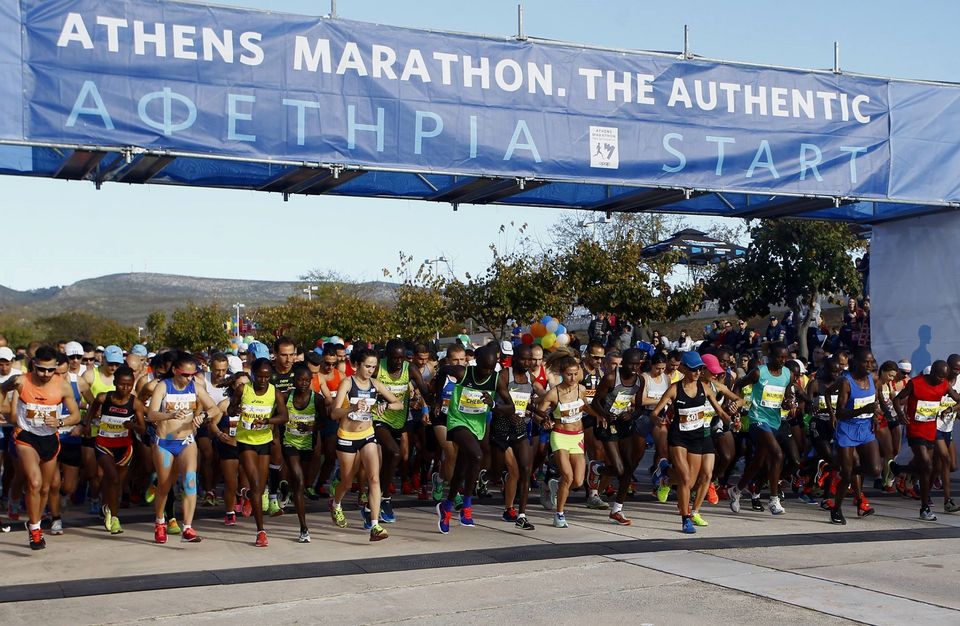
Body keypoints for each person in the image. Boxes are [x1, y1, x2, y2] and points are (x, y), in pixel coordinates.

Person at [1, 345, 82, 550]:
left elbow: (76, 415)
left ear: (56, 368)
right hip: (26, 437)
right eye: (41, 369)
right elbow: (2, 389)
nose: (45, 374)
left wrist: (60, 422)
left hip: (50, 439)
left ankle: (33, 521)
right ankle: (35, 530)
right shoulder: (20, 381)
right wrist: (4, 407)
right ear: (34, 365)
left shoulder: (63, 386)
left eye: (50, 370)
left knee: (45, 488)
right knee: (34, 482)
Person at [329, 348, 403, 541]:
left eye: (374, 367)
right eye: (367, 366)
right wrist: (352, 407)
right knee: (347, 481)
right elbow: (334, 413)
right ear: (357, 365)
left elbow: (399, 404)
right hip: (347, 436)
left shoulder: (375, 384)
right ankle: (336, 503)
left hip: (368, 435)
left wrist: (385, 405)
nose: (371, 370)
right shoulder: (348, 383)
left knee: (374, 479)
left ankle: (375, 525)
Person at [147, 353, 222, 545]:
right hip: (164, 443)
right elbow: (151, 414)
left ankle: (187, 527)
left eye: (192, 375)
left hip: (187, 441)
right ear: (174, 371)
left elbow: (214, 408)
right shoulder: (163, 386)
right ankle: (160, 522)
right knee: (165, 485)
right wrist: (169, 415)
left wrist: (203, 416)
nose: (189, 378)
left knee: (190, 481)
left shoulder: (195, 387)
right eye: (185, 375)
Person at [650, 351, 728, 533]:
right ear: (684, 369)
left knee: (690, 482)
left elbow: (720, 411)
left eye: (700, 369)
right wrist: (658, 420)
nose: (697, 373)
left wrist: (730, 420)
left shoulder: (704, 388)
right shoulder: (674, 389)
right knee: (685, 478)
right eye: (693, 369)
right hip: (679, 438)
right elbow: (654, 412)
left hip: (697, 437)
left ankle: (665, 473)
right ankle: (686, 519)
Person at [436, 344, 499, 534]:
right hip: (457, 420)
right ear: (475, 363)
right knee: (477, 456)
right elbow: (442, 371)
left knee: (461, 469)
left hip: (476, 426)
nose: (487, 373)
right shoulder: (463, 373)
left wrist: (493, 404)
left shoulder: (496, 379)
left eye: (490, 369)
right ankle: (467, 505)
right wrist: (437, 398)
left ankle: (447, 506)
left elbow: (510, 407)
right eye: (484, 368)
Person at [535, 354, 600, 529]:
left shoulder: (581, 389)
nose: (572, 378)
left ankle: (556, 485)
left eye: (575, 374)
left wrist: (598, 416)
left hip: (577, 436)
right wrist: (544, 421)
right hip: (560, 436)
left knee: (578, 481)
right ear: (562, 373)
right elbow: (538, 414)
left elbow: (585, 406)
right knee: (568, 476)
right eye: (569, 374)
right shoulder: (554, 393)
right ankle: (559, 514)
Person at [730, 342, 795, 516]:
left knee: (759, 461)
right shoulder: (759, 372)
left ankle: (737, 490)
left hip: (775, 421)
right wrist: (735, 402)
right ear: (770, 356)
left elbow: (788, 394)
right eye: (779, 357)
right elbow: (739, 384)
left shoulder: (788, 374)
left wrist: (789, 402)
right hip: (757, 419)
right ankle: (773, 499)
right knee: (777, 454)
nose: (782, 361)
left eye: (785, 357)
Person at [374, 339, 431, 524]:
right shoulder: (378, 367)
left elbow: (424, 389)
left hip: (399, 420)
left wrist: (432, 404)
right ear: (387, 356)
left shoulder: (409, 368)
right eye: (395, 358)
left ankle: (375, 499)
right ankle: (385, 498)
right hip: (378, 418)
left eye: (401, 358)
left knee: (394, 458)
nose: (398, 362)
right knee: (395, 453)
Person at [894, 360, 960, 521]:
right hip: (915, 430)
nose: (941, 380)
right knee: (927, 464)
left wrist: (951, 408)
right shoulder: (916, 383)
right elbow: (897, 399)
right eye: (939, 376)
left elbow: (958, 399)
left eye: (944, 377)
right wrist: (901, 414)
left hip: (931, 430)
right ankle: (924, 508)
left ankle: (899, 469)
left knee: (926, 469)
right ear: (932, 373)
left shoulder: (944, 385)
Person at [86, 365, 146, 535]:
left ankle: (106, 506)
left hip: (124, 447)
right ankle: (115, 518)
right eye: (121, 384)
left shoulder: (135, 403)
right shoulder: (104, 398)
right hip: (104, 444)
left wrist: (132, 426)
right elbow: (92, 408)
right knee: (112, 477)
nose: (125, 388)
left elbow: (142, 429)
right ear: (114, 383)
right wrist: (87, 423)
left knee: (117, 484)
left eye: (129, 385)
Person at [590, 348, 644, 525]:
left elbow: (640, 408)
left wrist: (631, 415)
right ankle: (597, 469)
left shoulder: (640, 380)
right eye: (631, 364)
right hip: (606, 424)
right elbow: (595, 402)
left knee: (629, 467)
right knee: (619, 469)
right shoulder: (611, 378)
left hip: (623, 424)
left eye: (637, 365)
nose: (634, 368)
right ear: (623, 364)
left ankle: (617, 510)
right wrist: (606, 414)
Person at [493, 343, 543, 530]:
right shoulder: (504, 375)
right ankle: (486, 478)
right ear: (515, 358)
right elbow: (496, 404)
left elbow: (523, 403)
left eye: (530, 359)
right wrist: (508, 414)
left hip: (520, 426)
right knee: (498, 472)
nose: (528, 363)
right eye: (524, 359)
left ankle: (520, 515)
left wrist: (540, 413)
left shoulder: (530, 378)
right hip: (501, 427)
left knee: (525, 469)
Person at [829, 348, 882, 525]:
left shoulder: (873, 378)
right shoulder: (847, 382)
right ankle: (836, 509)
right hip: (847, 430)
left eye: (871, 362)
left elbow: (874, 399)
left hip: (865, 429)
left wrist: (874, 415)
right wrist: (863, 410)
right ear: (857, 362)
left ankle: (845, 470)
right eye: (866, 362)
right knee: (846, 476)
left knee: (875, 469)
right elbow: (840, 413)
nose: (869, 365)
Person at [282, 363, 323, 542]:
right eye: (300, 380)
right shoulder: (286, 397)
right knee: (298, 481)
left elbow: (325, 421)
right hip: (289, 443)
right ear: (294, 381)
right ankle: (303, 528)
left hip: (308, 445)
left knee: (301, 483)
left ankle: (287, 489)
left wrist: (311, 427)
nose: (304, 383)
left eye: (307, 380)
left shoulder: (317, 399)